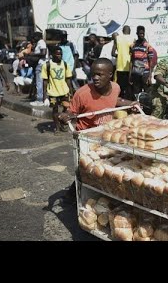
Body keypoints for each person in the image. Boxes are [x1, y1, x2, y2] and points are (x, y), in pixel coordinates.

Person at [58, 58, 139, 202]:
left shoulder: (115, 87)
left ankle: (104, 193)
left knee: (106, 166)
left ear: (110, 75)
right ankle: (71, 196)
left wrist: (130, 103)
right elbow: (72, 112)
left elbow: (115, 100)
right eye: (93, 74)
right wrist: (65, 116)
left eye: (100, 75)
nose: (95, 78)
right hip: (86, 138)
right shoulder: (82, 94)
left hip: (105, 135)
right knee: (85, 168)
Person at [129, 26, 155, 99]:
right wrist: (130, 75)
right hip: (135, 73)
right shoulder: (133, 46)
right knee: (136, 92)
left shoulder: (148, 46)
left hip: (145, 74)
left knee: (147, 92)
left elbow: (151, 62)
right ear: (137, 33)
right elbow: (132, 60)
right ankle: (137, 107)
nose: (142, 35)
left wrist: (150, 76)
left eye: (143, 33)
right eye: (140, 33)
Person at [112, 26, 133, 99]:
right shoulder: (133, 39)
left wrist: (120, 56)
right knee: (129, 87)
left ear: (122, 31)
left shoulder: (117, 38)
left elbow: (113, 53)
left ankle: (119, 101)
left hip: (119, 67)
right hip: (129, 66)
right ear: (129, 31)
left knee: (119, 87)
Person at [29, 32, 49, 107]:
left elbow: (43, 53)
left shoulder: (41, 42)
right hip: (41, 64)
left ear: (38, 37)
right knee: (41, 82)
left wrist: (33, 54)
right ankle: (42, 98)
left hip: (41, 64)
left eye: (35, 37)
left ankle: (40, 99)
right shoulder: (40, 43)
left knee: (39, 82)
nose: (34, 38)